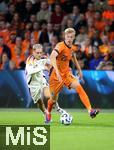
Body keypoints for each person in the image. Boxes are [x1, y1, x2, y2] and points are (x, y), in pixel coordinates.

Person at [47, 28, 99, 123]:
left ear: (74, 37)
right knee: (52, 100)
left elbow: (74, 58)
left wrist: (79, 70)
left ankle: (90, 110)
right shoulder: (60, 46)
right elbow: (52, 56)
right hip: (55, 77)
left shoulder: (72, 48)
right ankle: (48, 113)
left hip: (67, 75)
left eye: (71, 37)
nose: (69, 39)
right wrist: (57, 72)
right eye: (67, 37)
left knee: (79, 87)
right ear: (65, 36)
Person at [25, 44, 67, 123]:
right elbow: (31, 71)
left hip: (41, 79)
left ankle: (59, 110)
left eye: (40, 52)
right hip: (33, 84)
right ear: (33, 52)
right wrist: (44, 67)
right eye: (37, 53)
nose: (39, 54)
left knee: (48, 95)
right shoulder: (30, 60)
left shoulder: (43, 57)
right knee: (39, 102)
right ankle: (45, 113)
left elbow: (52, 61)